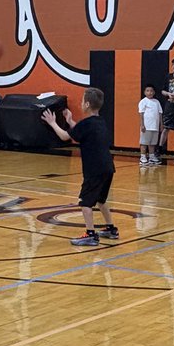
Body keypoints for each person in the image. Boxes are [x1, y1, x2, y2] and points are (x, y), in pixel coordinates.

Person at [42, 88, 118, 246]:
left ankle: (90, 234)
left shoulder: (86, 124)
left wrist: (52, 123)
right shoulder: (99, 122)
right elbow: (79, 132)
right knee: (101, 200)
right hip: (107, 167)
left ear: (88, 104)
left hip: (94, 169)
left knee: (85, 202)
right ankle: (111, 229)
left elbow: (65, 136)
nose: (80, 103)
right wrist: (70, 121)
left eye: (82, 101)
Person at [138, 84, 162, 166]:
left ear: (154, 92)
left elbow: (160, 114)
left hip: (155, 126)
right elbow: (141, 114)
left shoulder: (157, 102)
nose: (150, 92)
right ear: (144, 92)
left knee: (152, 143)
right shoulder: (143, 102)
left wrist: (160, 124)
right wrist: (142, 125)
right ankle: (143, 157)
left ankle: (152, 157)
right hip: (146, 126)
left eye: (151, 91)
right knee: (144, 142)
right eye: (147, 91)